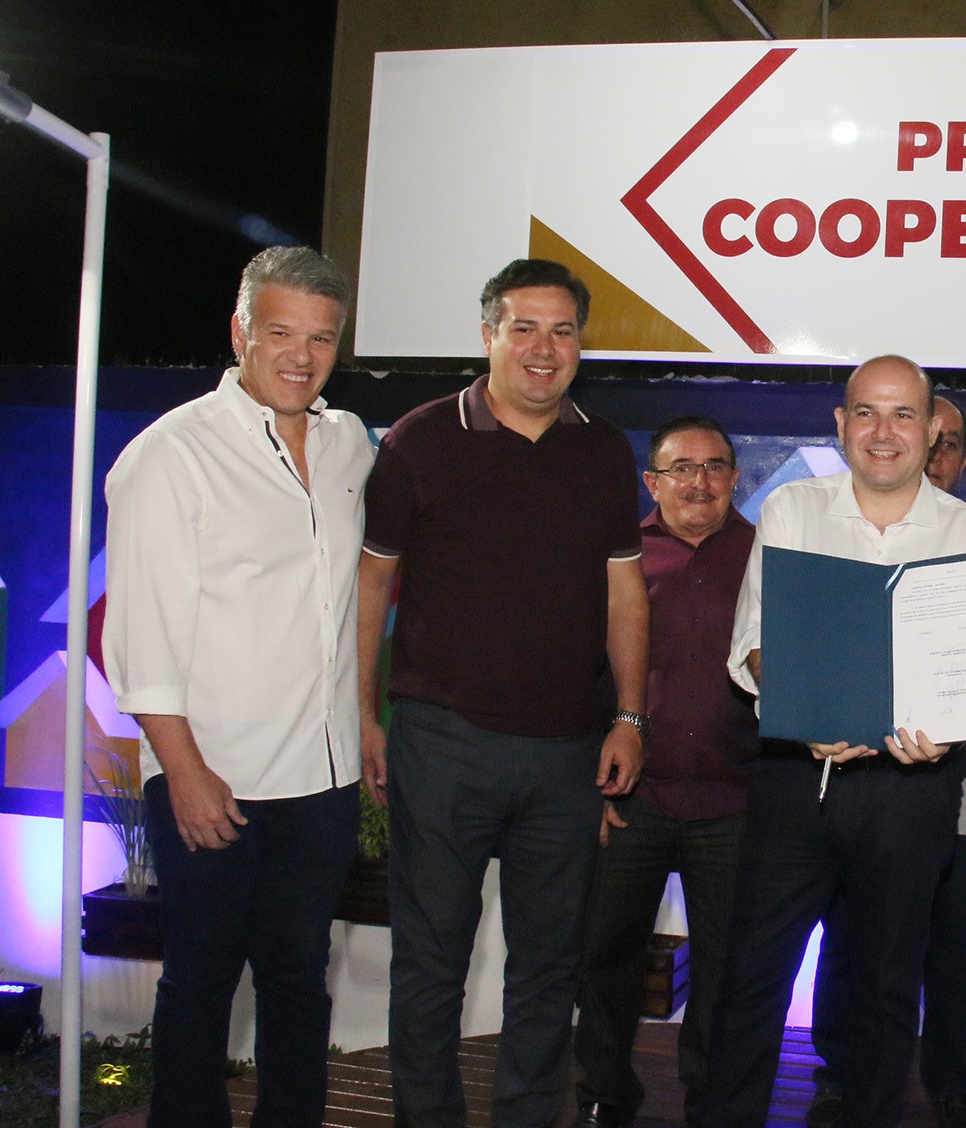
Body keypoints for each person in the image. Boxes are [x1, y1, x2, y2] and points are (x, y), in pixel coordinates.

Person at [358, 258, 648, 1128]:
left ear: (581, 345)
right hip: (443, 743)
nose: (543, 348)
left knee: (548, 971)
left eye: (562, 331)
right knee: (430, 965)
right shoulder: (417, 441)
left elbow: (625, 593)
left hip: (566, 754)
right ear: (487, 335)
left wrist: (628, 717)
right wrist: (364, 714)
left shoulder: (603, 448)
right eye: (523, 327)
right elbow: (371, 591)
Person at [694, 357, 966, 1128]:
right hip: (794, 782)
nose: (883, 432)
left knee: (887, 987)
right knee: (750, 977)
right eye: (865, 412)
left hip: (909, 794)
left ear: (933, 429)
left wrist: (950, 729)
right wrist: (804, 698)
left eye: (903, 414)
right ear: (839, 425)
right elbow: (753, 648)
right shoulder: (792, 510)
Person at [103, 245, 369, 1127]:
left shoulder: (345, 444)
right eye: (281, 332)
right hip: (213, 777)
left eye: (321, 338)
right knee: (202, 982)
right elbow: (136, 637)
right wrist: (183, 770)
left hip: (321, 784)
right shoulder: (170, 456)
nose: (301, 355)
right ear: (240, 332)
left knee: (299, 981)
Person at [809, 395, 966, 1128]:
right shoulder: (857, 537)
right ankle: (840, 1074)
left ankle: (948, 1079)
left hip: (959, 786)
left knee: (952, 938)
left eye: (950, 444)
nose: (936, 456)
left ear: (952, 451)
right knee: (850, 936)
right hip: (864, 782)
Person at [572, 417, 760, 1128]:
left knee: (725, 970)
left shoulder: (766, 555)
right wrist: (585, 784)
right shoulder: (620, 558)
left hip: (734, 800)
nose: (699, 481)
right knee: (607, 957)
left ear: (735, 478)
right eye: (681, 467)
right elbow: (582, 674)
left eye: (715, 466)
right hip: (630, 798)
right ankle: (603, 1094)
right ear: (652, 483)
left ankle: (711, 1103)